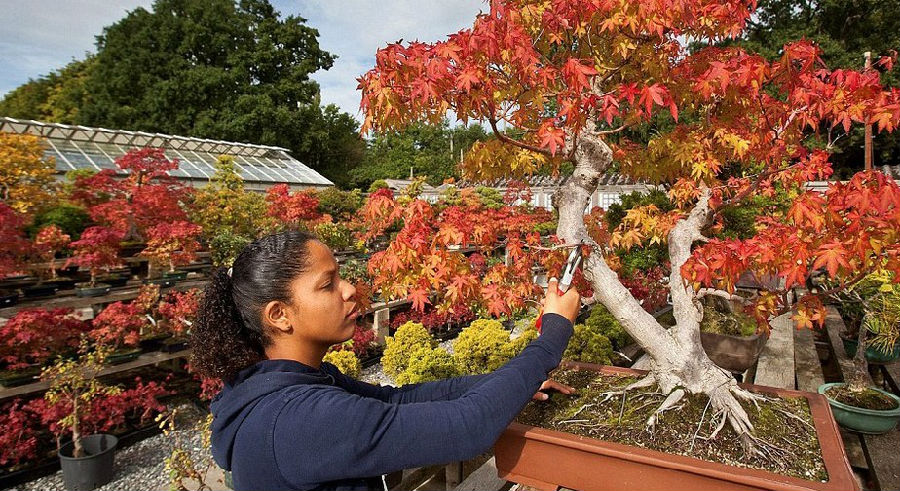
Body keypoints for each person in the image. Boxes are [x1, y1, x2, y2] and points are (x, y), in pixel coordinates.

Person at [191, 230, 580, 491]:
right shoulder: (297, 419)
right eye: (328, 284)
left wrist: (511, 382)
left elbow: (394, 401)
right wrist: (552, 337)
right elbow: (467, 429)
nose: (348, 290)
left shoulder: (287, 382)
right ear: (279, 315)